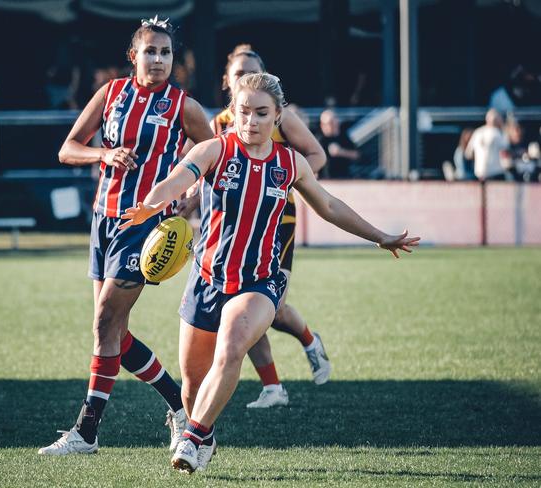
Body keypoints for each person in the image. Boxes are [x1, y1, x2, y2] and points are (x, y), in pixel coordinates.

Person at [120, 72, 420, 472]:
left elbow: (329, 207)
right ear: (234, 112)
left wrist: (379, 236)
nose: (251, 121)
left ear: (278, 115)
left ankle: (191, 438)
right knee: (192, 387)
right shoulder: (215, 150)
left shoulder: (290, 163)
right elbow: (178, 179)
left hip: (259, 281)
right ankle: (203, 433)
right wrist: (151, 204)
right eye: (244, 112)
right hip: (207, 279)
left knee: (231, 348)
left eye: (262, 113)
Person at [38, 16, 214, 456]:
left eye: (166, 52)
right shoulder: (111, 93)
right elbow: (68, 148)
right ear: (133, 56)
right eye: (150, 51)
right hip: (103, 220)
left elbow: (215, 157)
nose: (158, 59)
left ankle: (86, 432)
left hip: (146, 226)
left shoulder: (184, 106)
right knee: (113, 331)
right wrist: (104, 152)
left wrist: (189, 198)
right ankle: (178, 407)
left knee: (104, 323)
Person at [182, 44, 330, 409]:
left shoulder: (278, 117)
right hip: (229, 225)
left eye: (253, 71)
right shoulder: (215, 126)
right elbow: (203, 175)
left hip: (277, 222)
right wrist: (187, 199)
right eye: (238, 74)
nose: (245, 79)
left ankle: (309, 342)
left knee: (265, 305)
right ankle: (273, 386)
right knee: (241, 309)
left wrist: (284, 182)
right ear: (228, 83)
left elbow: (317, 156)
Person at [464, 109, 509, 181]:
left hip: (480, 173)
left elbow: (468, 154)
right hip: (495, 173)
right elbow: (506, 151)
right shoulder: (498, 133)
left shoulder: (477, 132)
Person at [317, 109, 361, 179]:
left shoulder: (343, 136)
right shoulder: (319, 139)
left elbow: (356, 155)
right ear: (322, 125)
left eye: (333, 123)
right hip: (325, 179)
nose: (330, 126)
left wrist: (341, 152)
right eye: (328, 123)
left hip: (344, 177)